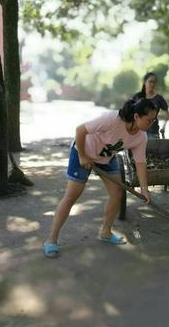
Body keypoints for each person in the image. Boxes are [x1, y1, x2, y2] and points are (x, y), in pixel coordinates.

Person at [43, 99, 157, 258]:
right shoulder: (112, 119)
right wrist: (83, 156)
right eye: (149, 120)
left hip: (106, 159)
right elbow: (80, 130)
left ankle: (105, 232)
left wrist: (144, 189)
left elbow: (140, 162)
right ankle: (51, 239)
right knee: (72, 195)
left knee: (117, 194)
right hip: (83, 152)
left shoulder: (141, 137)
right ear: (137, 116)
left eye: (154, 120)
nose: (151, 123)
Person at [132, 72, 169, 139]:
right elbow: (130, 112)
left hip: (152, 133)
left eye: (154, 82)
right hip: (137, 132)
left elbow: (167, 114)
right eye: (150, 82)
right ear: (144, 82)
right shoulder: (137, 97)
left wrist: (163, 127)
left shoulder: (159, 98)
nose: (152, 84)